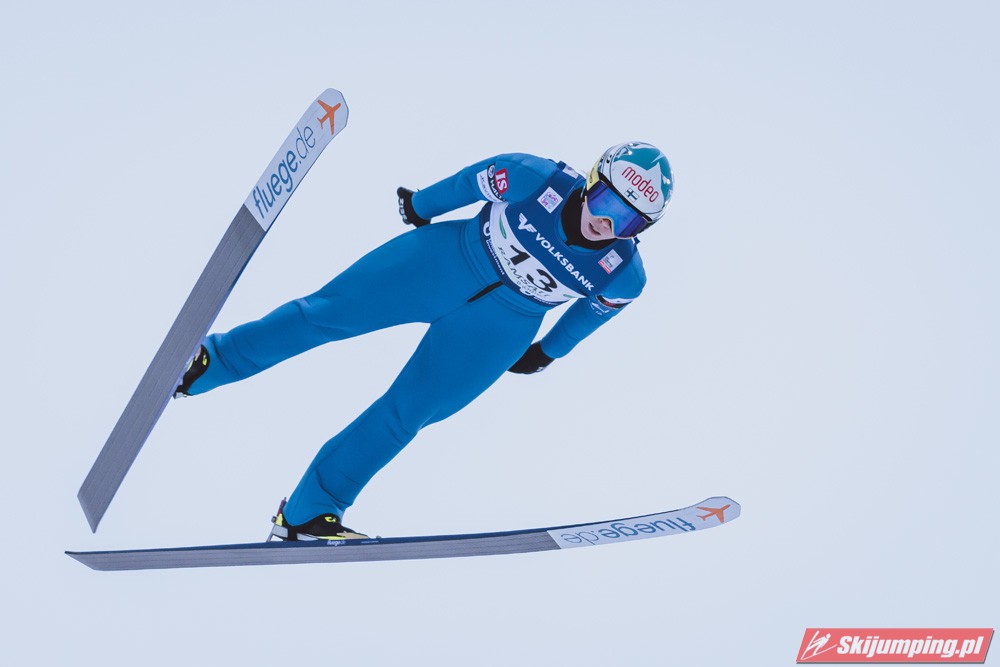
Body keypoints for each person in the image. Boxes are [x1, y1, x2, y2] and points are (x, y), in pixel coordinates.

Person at [174, 141, 674, 540]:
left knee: (405, 416)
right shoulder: (533, 177)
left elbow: (588, 317)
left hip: (498, 328)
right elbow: (469, 181)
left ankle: (309, 512)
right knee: (324, 315)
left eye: (628, 221)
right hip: (444, 262)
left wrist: (547, 352)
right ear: (591, 181)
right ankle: (209, 362)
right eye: (607, 203)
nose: (606, 223)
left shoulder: (624, 273)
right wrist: (421, 205)